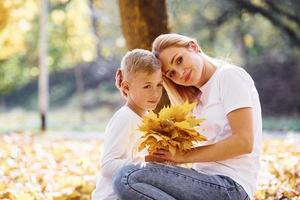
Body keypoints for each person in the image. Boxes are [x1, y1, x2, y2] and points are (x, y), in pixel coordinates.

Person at [113, 33, 262, 200]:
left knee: (127, 177)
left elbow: (244, 142)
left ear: (193, 47)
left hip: (231, 187)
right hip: (204, 180)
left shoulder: (229, 76)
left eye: (179, 60)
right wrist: (132, 95)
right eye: (171, 74)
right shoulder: (195, 98)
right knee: (133, 182)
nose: (180, 72)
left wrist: (184, 156)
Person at [91, 49, 163, 200]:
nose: (155, 93)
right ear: (126, 87)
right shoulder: (125, 118)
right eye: (147, 86)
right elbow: (107, 166)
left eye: (159, 85)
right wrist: (146, 162)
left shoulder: (148, 117)